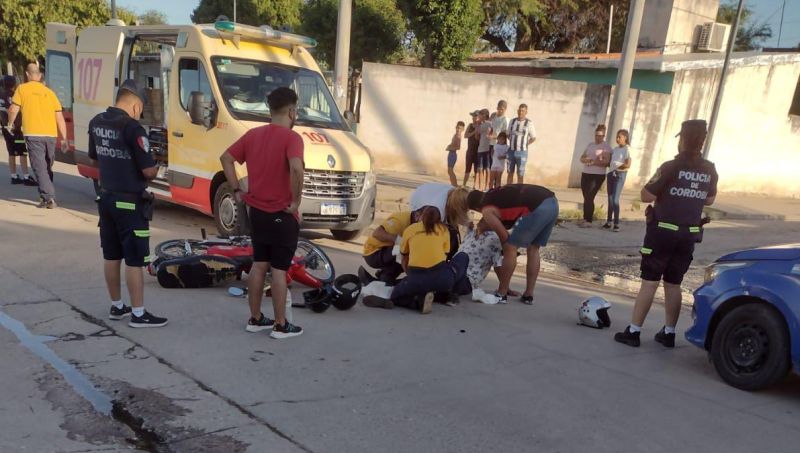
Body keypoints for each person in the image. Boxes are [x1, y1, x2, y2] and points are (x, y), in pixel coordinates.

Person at [615, 120, 718, 348]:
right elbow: (710, 199)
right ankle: (669, 333)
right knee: (673, 283)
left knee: (650, 282)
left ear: (683, 140)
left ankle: (634, 331)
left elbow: (646, 195)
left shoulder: (671, 167)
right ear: (702, 141)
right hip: (688, 235)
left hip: (661, 234)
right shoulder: (709, 169)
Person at [220, 87, 304, 339]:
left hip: (256, 212)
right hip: (282, 214)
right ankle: (280, 325)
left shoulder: (252, 135)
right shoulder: (292, 138)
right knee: (279, 270)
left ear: (271, 110)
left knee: (258, 265)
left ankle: (255, 319)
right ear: (292, 111)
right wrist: (296, 201)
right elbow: (296, 168)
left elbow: (225, 158)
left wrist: (236, 189)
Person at [88, 80, 167, 328]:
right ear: (136, 106)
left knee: (111, 255)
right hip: (130, 203)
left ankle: (117, 305)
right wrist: (156, 165)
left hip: (106, 197)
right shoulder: (133, 129)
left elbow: (95, 158)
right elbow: (148, 172)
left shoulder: (97, 122)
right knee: (134, 259)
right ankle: (139, 314)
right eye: (140, 110)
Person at [364, 207, 470, 314]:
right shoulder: (443, 229)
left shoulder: (410, 229)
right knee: (463, 256)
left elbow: (404, 258)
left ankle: (416, 302)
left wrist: (410, 277)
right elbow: (445, 255)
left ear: (420, 217)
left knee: (395, 294)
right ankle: (452, 293)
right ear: (439, 220)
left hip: (414, 278)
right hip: (442, 278)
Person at [467, 184, 559, 305]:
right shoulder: (494, 193)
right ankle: (528, 295)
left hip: (536, 207)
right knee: (533, 248)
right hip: (552, 203)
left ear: (476, 208)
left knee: (509, 247)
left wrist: (503, 249)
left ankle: (502, 293)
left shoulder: (486, 210)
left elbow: (505, 239)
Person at [7, 63, 68, 209]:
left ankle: (49, 197)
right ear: (40, 76)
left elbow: (13, 109)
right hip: (51, 135)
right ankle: (45, 195)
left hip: (33, 134)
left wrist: (10, 124)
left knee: (39, 167)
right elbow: (59, 117)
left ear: (27, 75)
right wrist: (64, 138)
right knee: (46, 166)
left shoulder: (22, 89)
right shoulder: (50, 93)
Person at [360, 209, 420, 285]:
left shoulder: (415, 224)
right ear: (417, 216)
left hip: (386, 251)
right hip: (373, 253)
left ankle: (385, 276)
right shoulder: (400, 221)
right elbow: (377, 233)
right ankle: (386, 277)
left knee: (409, 251)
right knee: (403, 251)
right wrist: (398, 240)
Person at [458, 218, 503, 305]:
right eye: (482, 218)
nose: (481, 220)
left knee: (445, 285)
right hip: (453, 270)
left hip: (468, 279)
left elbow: (497, 265)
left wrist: (505, 287)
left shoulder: (494, 239)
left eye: (486, 218)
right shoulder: (471, 233)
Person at [1, 76, 35, 186]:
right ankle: (26, 177)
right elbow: (12, 110)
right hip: (15, 129)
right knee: (22, 152)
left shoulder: (1, 95)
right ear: (14, 84)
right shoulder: (13, 96)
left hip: (5, 129)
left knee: (11, 152)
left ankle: (14, 176)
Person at [578, 124, 612, 226]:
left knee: (590, 196)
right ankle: (585, 218)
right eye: (596, 135)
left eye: (600, 136)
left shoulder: (606, 147)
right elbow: (582, 157)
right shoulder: (590, 145)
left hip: (597, 175)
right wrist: (585, 160)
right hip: (586, 172)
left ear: (603, 136)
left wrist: (594, 162)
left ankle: (589, 220)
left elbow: (607, 162)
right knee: (586, 196)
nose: (598, 137)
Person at [603, 129, 632, 231]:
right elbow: (610, 163)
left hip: (620, 174)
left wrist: (617, 165)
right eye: (617, 137)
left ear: (625, 138)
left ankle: (616, 223)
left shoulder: (627, 149)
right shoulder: (615, 149)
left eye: (620, 137)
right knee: (610, 199)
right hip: (611, 174)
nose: (617, 139)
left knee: (615, 199)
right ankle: (609, 221)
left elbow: (628, 164)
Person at [506, 104, 536, 185]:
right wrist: (513, 141)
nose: (520, 112)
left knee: (520, 174)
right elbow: (508, 134)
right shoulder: (512, 121)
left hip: (522, 153)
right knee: (510, 172)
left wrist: (525, 144)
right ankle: (509, 190)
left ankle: (519, 191)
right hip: (511, 151)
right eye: (519, 110)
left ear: (526, 112)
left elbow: (533, 137)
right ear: (517, 111)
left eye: (523, 111)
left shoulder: (529, 123)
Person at [489, 100, 508, 173]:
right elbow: (491, 128)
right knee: (490, 164)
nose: (500, 111)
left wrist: (494, 137)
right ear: (497, 108)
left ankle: (496, 180)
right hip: (491, 143)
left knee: (497, 164)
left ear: (505, 109)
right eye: (499, 109)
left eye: (502, 109)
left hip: (499, 145)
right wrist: (489, 134)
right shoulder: (494, 117)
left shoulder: (505, 120)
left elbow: (504, 135)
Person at [462, 111, 480, 188]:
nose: (473, 118)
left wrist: (477, 132)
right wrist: (474, 132)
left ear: (479, 117)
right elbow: (465, 135)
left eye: (475, 116)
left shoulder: (481, 126)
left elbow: (479, 139)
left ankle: (474, 186)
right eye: (473, 116)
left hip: (477, 152)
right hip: (470, 151)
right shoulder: (470, 125)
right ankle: (464, 185)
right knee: (467, 169)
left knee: (476, 170)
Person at [476, 109, 493, 190]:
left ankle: (487, 186)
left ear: (484, 115)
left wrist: (478, 125)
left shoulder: (489, 124)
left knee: (487, 169)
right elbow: (477, 136)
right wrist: (478, 125)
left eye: (480, 115)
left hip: (487, 148)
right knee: (480, 168)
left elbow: (490, 133)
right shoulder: (481, 124)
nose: (479, 117)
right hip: (481, 148)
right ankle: (481, 186)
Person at [446, 121, 464, 186]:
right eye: (457, 127)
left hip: (453, 154)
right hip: (451, 153)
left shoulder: (458, 136)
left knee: (450, 170)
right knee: (449, 171)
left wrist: (450, 148)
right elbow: (453, 144)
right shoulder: (455, 135)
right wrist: (449, 146)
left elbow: (458, 147)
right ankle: (453, 184)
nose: (458, 129)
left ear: (462, 129)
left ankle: (455, 185)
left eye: (460, 128)